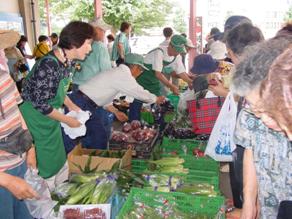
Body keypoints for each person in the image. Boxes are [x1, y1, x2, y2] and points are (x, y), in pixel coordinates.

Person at [20, 21, 95, 191]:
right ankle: (43, 201)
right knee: (44, 164)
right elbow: (41, 104)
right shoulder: (49, 64)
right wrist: (68, 121)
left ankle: (58, 194)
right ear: (75, 43)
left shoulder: (65, 62)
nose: (90, 49)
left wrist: (75, 108)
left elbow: (59, 93)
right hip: (35, 121)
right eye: (88, 44)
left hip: (49, 120)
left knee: (59, 160)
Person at [231, 34, 292, 218]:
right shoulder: (249, 114)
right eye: (256, 111)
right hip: (270, 203)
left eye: (266, 109)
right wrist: (249, 201)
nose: (263, 119)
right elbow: (251, 151)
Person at [78, 53, 165, 148]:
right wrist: (155, 99)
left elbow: (104, 97)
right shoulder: (122, 75)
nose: (141, 72)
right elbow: (138, 92)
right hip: (83, 104)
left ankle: (93, 158)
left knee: (97, 137)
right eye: (141, 70)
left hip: (87, 103)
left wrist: (116, 112)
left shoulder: (117, 73)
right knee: (95, 138)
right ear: (135, 66)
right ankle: (93, 159)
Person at [0, 29, 38, 219]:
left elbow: (17, 113)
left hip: (18, 163)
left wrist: (30, 148)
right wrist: (6, 180)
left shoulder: (3, 76)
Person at [66, 18, 117, 152]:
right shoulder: (100, 46)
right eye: (102, 30)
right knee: (99, 127)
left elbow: (70, 69)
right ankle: (97, 157)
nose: (104, 33)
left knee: (82, 125)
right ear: (94, 30)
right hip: (95, 92)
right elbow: (106, 72)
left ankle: (83, 154)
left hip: (77, 90)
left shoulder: (77, 44)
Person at [129, 34, 187, 122]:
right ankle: (133, 123)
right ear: (170, 45)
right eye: (176, 50)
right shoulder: (159, 51)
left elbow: (181, 72)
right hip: (142, 79)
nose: (177, 53)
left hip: (154, 82)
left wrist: (190, 81)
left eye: (179, 51)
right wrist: (171, 86)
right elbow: (158, 74)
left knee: (157, 103)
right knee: (138, 100)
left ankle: (154, 125)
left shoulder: (176, 56)